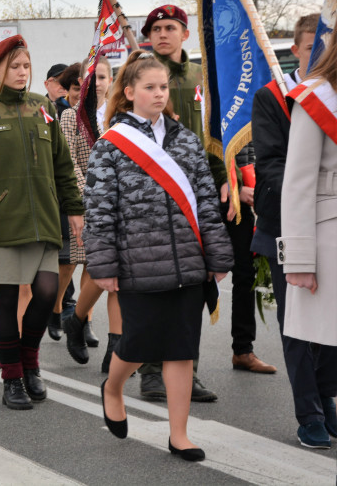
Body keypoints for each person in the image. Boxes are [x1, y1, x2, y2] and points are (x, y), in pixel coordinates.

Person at [85, 51, 233, 462]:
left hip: (187, 261)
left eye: (163, 87)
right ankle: (113, 387)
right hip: (137, 261)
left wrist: (217, 255)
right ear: (129, 92)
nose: (158, 93)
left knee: (181, 348)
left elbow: (206, 201)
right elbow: (100, 210)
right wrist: (104, 265)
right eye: (149, 87)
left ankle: (179, 434)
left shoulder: (186, 139)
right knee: (136, 344)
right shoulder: (111, 145)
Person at [0, 36, 83, 409]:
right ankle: (12, 379)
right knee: (6, 299)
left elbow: (61, 164)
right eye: (14, 66)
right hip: (0, 223)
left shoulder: (43, 108)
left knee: (45, 294)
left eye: (26, 66)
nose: (22, 72)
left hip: (41, 220)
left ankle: (30, 364)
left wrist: (74, 208)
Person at [143, 4, 239, 401]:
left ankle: (187, 371)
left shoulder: (204, 77)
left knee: (192, 289)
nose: (163, 34)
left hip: (196, 195)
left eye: (171, 27)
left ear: (185, 34)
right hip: (152, 194)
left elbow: (216, 133)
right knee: (155, 285)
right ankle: (150, 372)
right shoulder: (140, 76)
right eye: (156, 28)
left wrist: (224, 182)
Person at [271, 25, 337, 448]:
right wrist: (298, 259)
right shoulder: (317, 97)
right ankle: (313, 409)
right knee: (321, 338)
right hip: (330, 233)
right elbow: (297, 182)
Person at [57, 57, 120, 371]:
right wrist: (89, 199)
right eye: (91, 77)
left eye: (103, 77)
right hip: (90, 205)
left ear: (111, 81)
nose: (97, 83)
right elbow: (68, 163)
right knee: (96, 272)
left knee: (119, 279)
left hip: (124, 208)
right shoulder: (70, 117)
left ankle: (115, 350)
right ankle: (75, 319)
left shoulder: (121, 117)